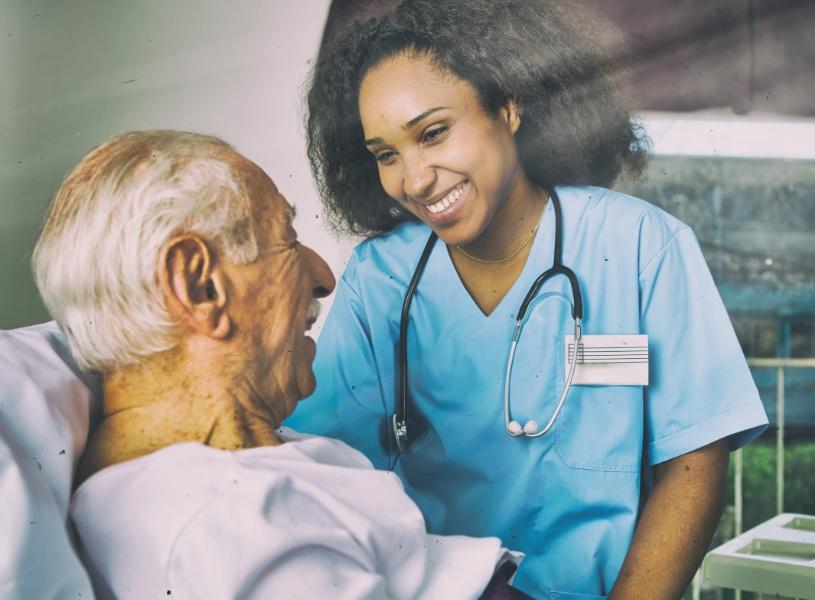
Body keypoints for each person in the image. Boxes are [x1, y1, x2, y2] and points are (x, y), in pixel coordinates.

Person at [285, 0, 770, 598]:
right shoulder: (380, 278)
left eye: (433, 133)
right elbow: (329, 466)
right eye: (386, 154)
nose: (413, 179)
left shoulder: (639, 244)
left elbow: (694, 466)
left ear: (509, 105)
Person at [31, 130, 525, 599]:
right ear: (199, 287)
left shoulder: (217, 474)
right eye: (288, 240)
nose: (324, 277)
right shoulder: (228, 523)